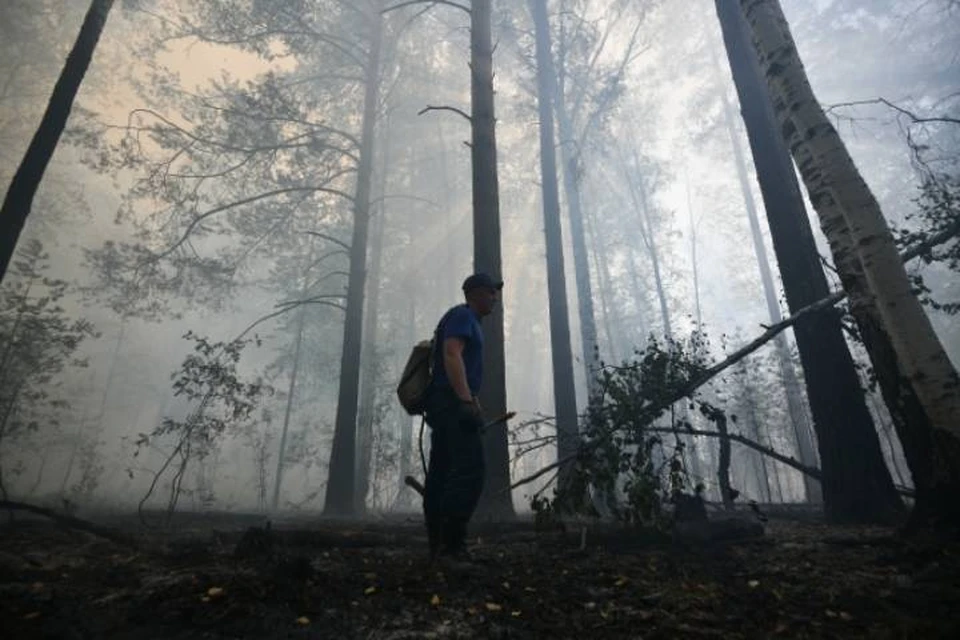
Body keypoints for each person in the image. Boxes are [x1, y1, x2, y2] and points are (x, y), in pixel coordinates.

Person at [422, 272, 503, 560]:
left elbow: (457, 361)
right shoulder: (463, 316)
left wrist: (471, 399)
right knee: (471, 470)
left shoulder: (468, 320)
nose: (495, 297)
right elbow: (451, 353)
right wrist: (465, 400)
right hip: (452, 404)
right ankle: (452, 546)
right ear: (475, 294)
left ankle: (438, 546)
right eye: (491, 292)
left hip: (445, 403)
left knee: (442, 473)